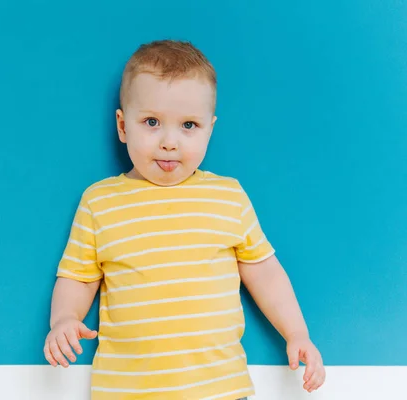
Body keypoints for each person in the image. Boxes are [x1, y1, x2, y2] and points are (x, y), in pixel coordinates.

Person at [43, 39, 325, 400]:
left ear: (210, 128)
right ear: (123, 125)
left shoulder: (228, 197)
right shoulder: (100, 202)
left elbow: (265, 271)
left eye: (189, 125)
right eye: (151, 122)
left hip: (218, 390)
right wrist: (64, 319)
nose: (169, 141)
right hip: (126, 392)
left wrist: (297, 333)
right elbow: (78, 277)